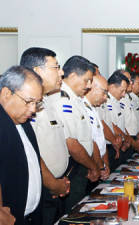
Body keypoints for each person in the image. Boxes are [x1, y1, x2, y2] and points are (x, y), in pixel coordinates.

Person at [20, 47, 70, 225]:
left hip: (55, 187)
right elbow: (30, 153)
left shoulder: (46, 101)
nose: (61, 72)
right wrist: (53, 184)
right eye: (56, 67)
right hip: (41, 189)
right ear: (37, 71)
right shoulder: (25, 106)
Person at [55, 56, 100, 213]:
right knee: (73, 214)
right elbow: (72, 144)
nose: (88, 86)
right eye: (86, 81)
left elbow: (87, 137)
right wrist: (93, 166)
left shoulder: (76, 100)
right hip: (73, 169)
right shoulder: (64, 101)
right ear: (73, 76)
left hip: (83, 165)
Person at [0, 66, 44, 225]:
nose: (33, 110)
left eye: (37, 103)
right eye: (29, 101)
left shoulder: (21, 120)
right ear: (6, 94)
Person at [83, 74, 110, 182]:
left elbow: (101, 140)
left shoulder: (93, 109)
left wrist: (106, 164)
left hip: (99, 165)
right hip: (91, 167)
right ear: (92, 88)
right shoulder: (82, 108)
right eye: (104, 92)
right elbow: (91, 142)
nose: (105, 97)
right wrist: (100, 167)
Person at [104, 71, 132, 170]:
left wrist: (127, 138)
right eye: (122, 91)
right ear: (112, 87)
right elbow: (111, 125)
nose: (124, 94)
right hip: (111, 147)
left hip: (120, 145)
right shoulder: (106, 101)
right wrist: (126, 138)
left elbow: (120, 124)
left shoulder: (116, 101)